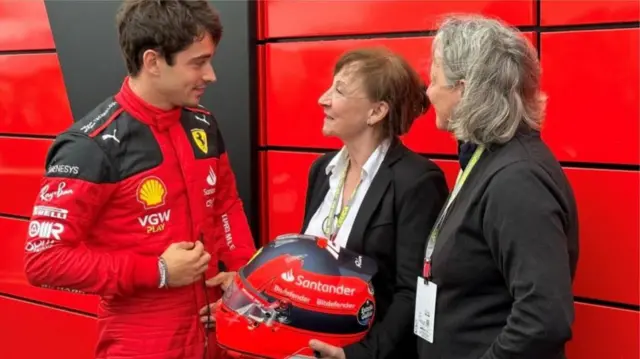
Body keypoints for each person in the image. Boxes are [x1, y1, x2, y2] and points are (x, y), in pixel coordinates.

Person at [23, 1, 256, 358]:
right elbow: (45, 261)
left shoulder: (203, 124)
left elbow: (225, 203)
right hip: (140, 340)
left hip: (217, 330)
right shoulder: (91, 146)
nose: (211, 75)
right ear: (153, 62)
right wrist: (158, 271)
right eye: (198, 62)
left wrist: (241, 277)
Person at [415, 14, 579, 359]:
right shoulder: (487, 159)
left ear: (465, 89)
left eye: (434, 80)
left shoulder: (517, 178)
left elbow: (543, 319)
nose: (428, 92)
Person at [301, 48, 450, 359]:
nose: (323, 99)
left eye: (339, 90)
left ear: (376, 111)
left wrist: (357, 355)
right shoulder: (322, 169)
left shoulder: (417, 181)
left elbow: (414, 293)